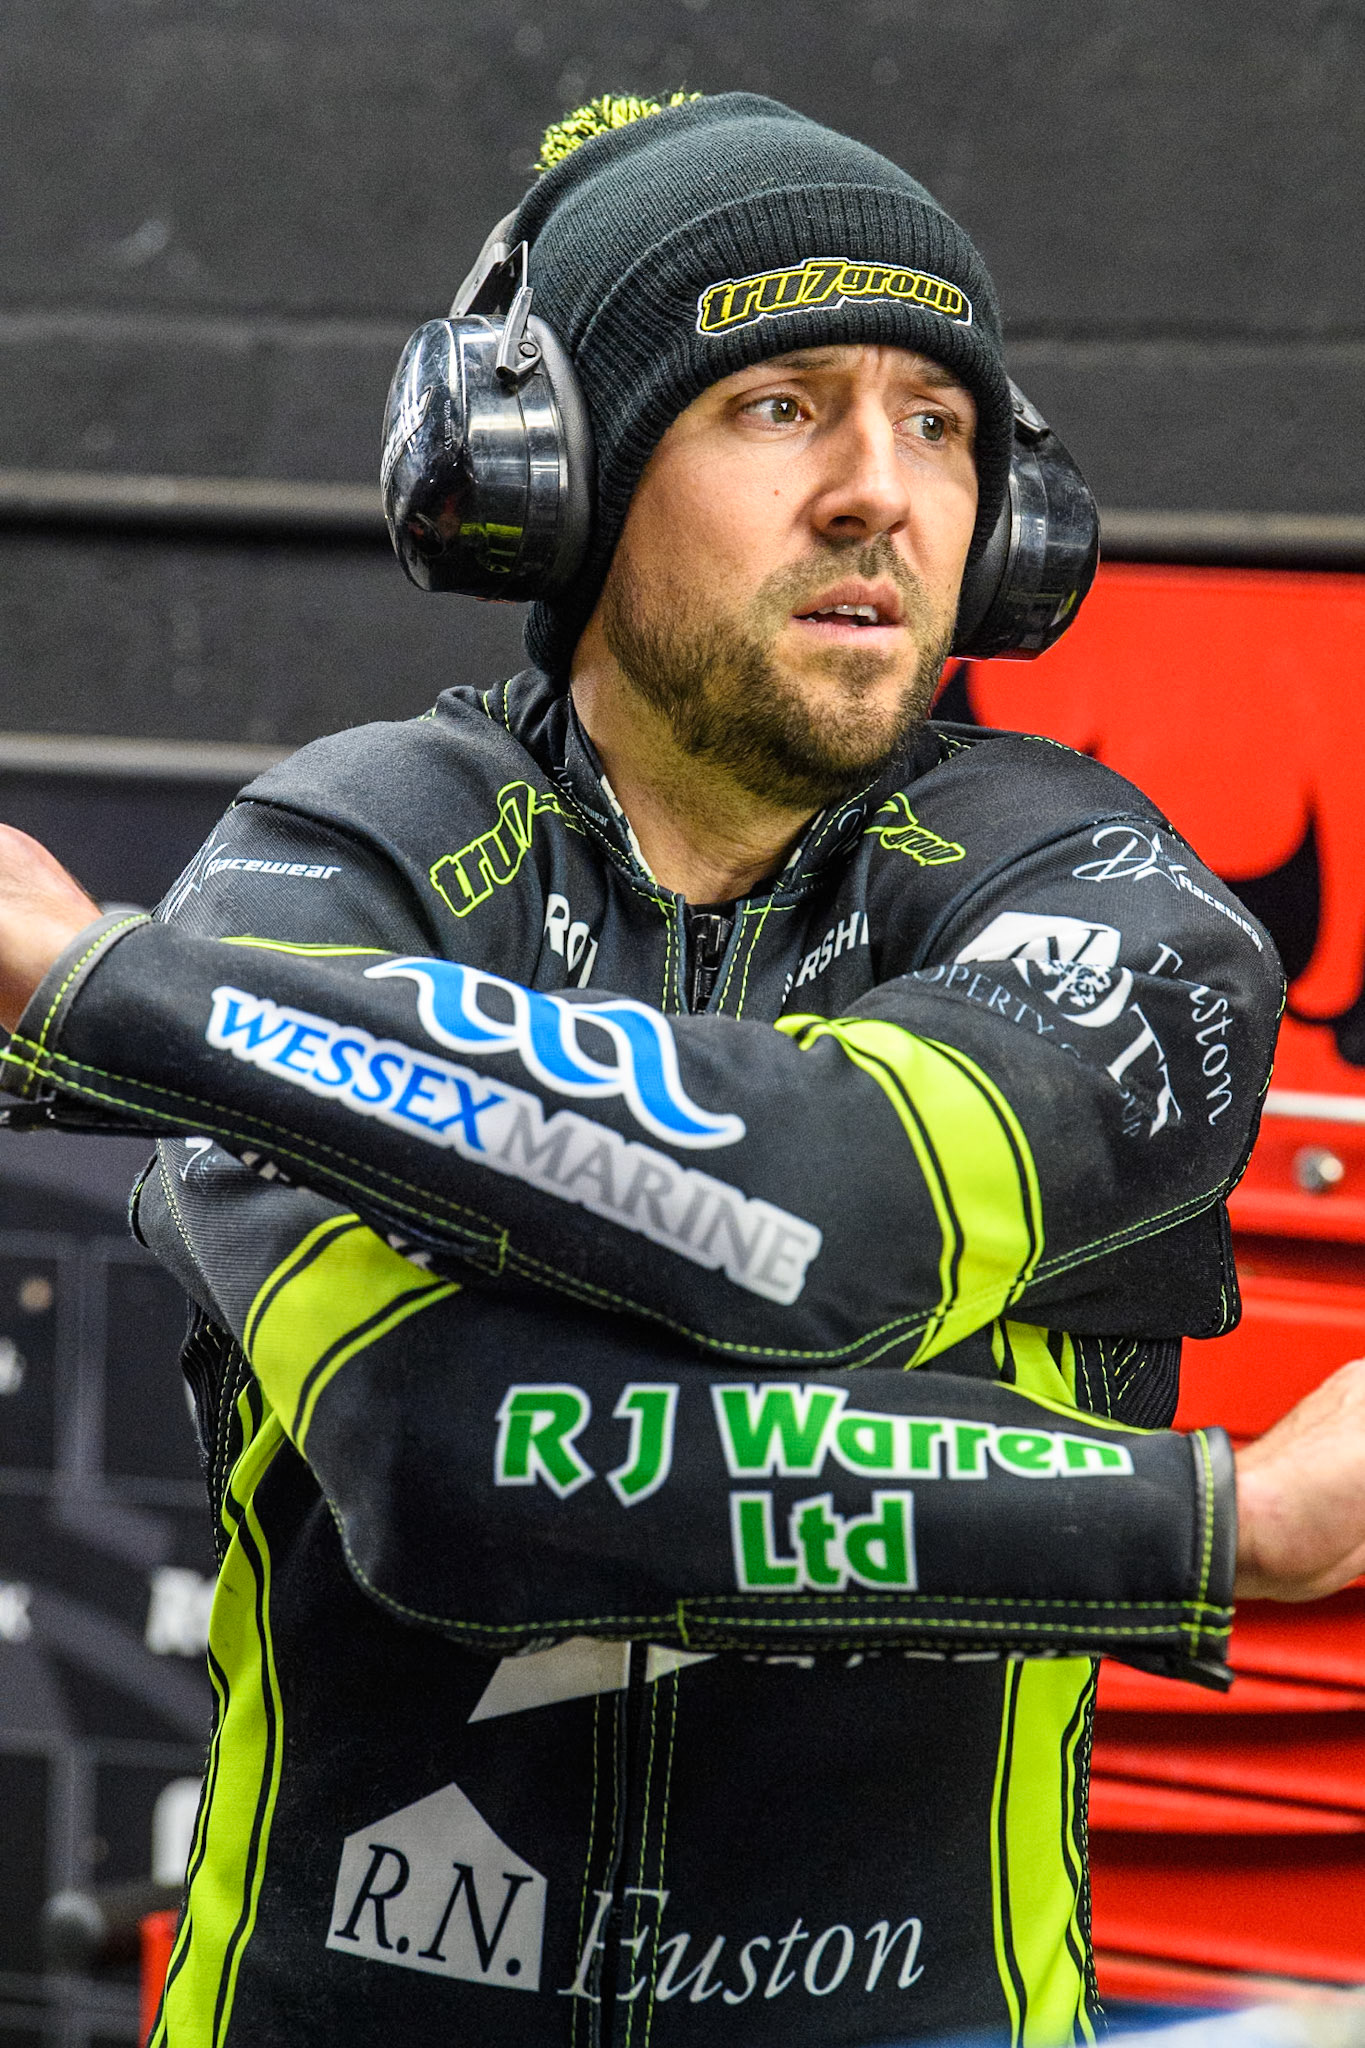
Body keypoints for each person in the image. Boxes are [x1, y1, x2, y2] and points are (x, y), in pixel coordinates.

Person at [1, 90, 1363, 2048]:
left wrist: (105, 990)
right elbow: (458, 1468)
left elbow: (813, 1224)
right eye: (779, 403)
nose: (877, 489)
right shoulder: (334, 855)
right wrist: (1222, 1526)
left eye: (937, 423)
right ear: (551, 481)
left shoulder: (1112, 899)